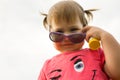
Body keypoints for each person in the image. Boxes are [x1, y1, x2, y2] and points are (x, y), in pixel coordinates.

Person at [38, 1, 120, 80]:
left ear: (85, 30)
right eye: (59, 32)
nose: (66, 37)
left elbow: (117, 73)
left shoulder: (96, 54)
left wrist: (105, 36)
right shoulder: (47, 66)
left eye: (73, 30)